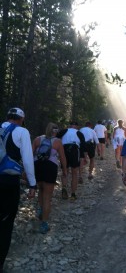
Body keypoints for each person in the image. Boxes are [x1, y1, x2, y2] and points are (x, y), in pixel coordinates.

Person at [0, 107, 36, 272]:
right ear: (21, 119)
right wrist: (32, 184)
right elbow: (28, 159)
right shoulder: (22, 131)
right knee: (6, 222)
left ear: (8, 117)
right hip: (8, 181)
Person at [32, 122, 67, 234]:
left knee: (41, 190)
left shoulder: (37, 139)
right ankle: (44, 224)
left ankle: (41, 210)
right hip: (50, 168)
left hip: (38, 167)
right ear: (55, 131)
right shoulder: (57, 142)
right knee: (48, 196)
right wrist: (65, 170)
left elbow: (30, 154)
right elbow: (62, 158)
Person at [57, 122, 86, 200]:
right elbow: (83, 146)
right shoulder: (79, 133)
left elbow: (56, 138)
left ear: (69, 126)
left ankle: (64, 188)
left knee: (64, 171)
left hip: (64, 150)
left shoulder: (64, 131)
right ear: (77, 127)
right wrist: (83, 157)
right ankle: (73, 194)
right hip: (74, 150)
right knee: (74, 173)